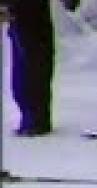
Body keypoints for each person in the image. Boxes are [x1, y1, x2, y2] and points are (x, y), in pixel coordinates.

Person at [4, 0, 55, 135]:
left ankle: (35, 119)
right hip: (24, 14)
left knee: (31, 66)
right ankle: (34, 118)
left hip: (29, 15)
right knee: (28, 67)